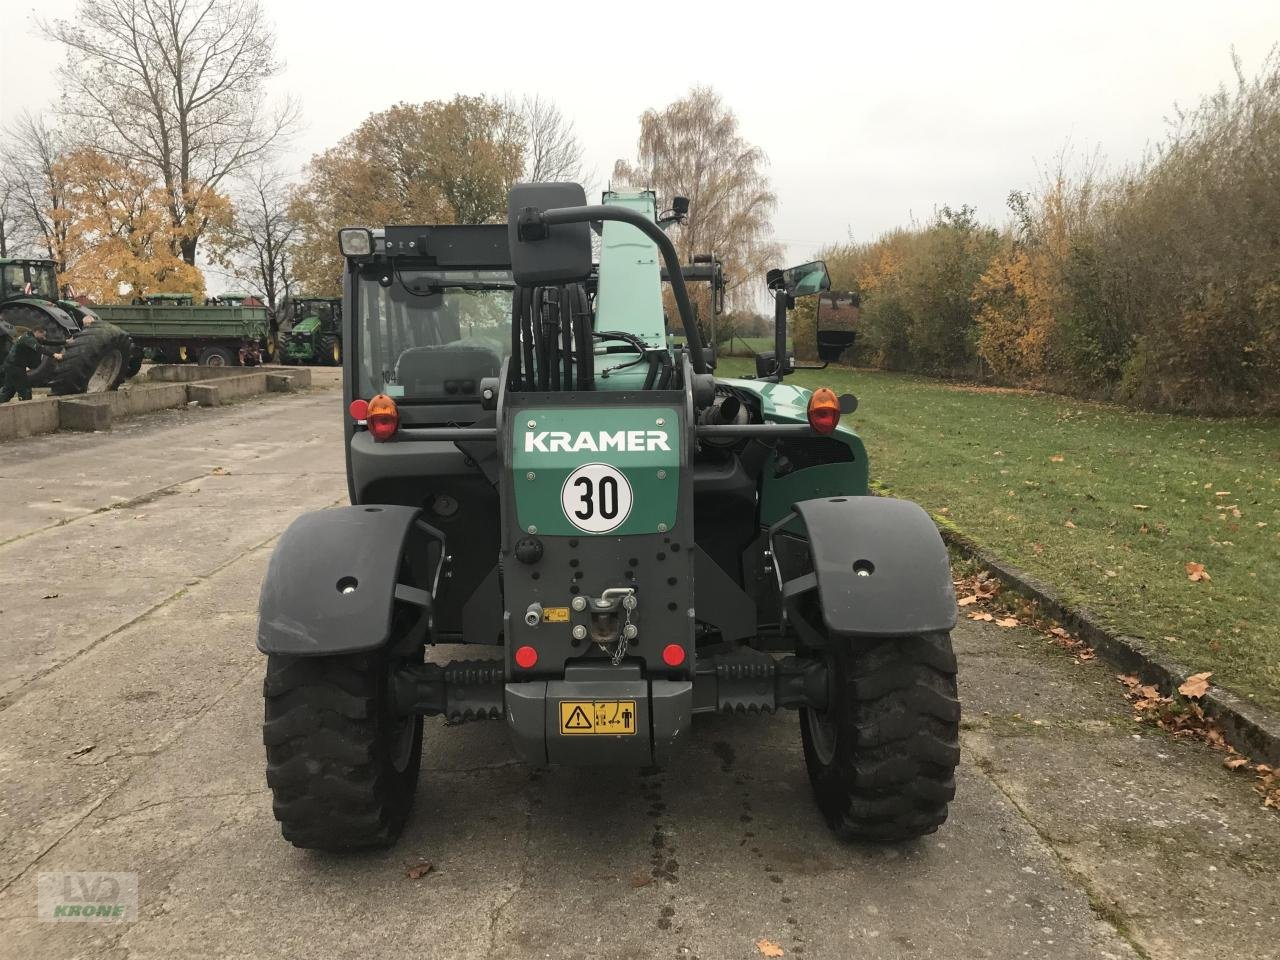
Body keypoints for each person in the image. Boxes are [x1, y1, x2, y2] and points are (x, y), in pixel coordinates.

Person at [1, 326, 64, 403]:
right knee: (25, 390)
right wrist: (54, 354)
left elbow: (47, 342)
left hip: (11, 365)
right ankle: (26, 406)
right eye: (43, 335)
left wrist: (65, 342)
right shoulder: (28, 339)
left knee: (8, 390)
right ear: (37, 332)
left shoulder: (30, 336)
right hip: (15, 367)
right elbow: (38, 348)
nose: (44, 337)